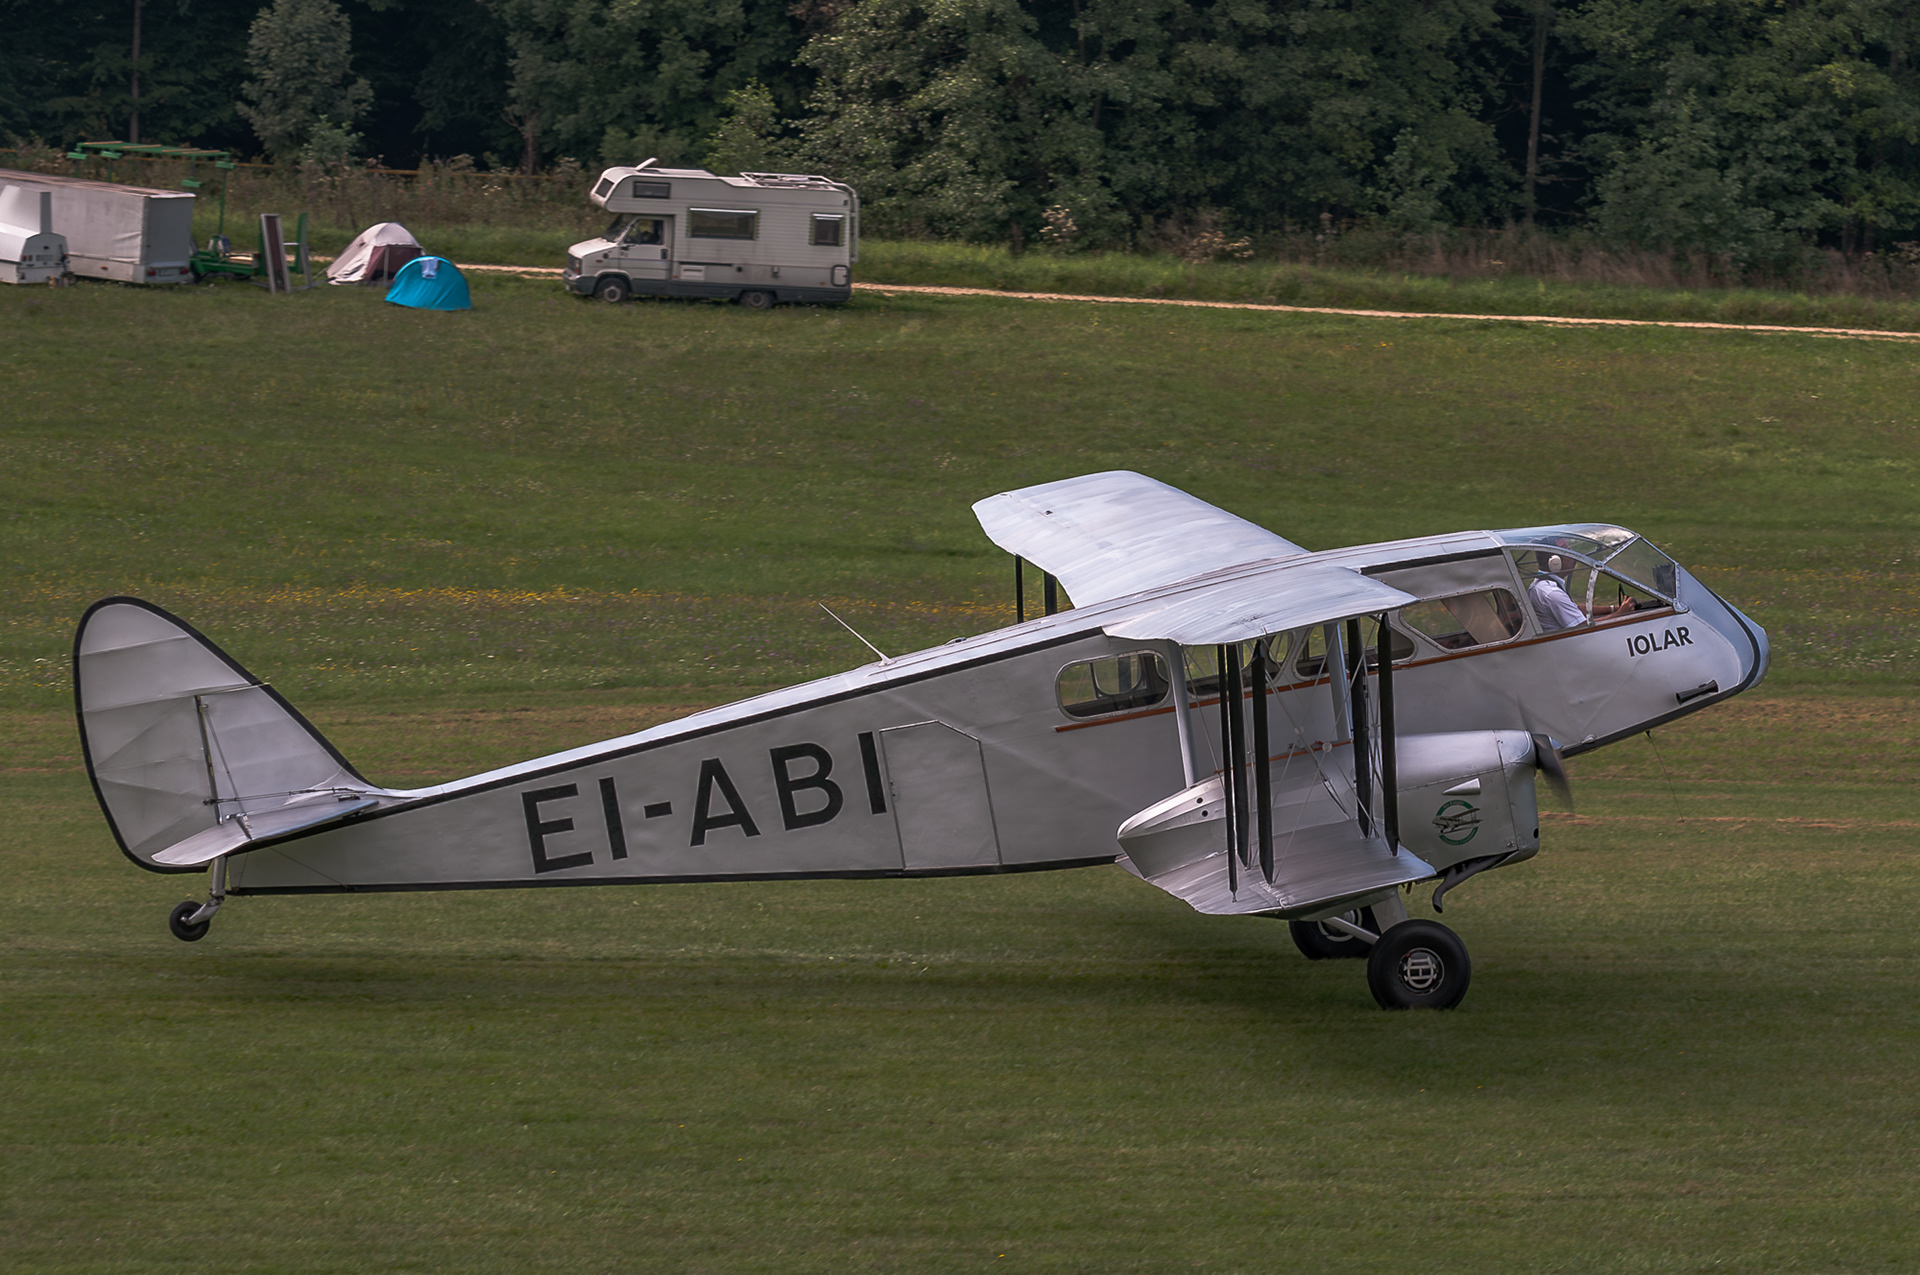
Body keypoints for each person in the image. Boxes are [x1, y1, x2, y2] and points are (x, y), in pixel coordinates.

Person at [1528, 553, 1636, 633]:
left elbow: (1574, 609)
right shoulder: (1552, 593)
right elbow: (1582, 628)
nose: (1572, 556)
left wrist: (1613, 609)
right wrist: (1620, 615)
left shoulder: (1543, 585)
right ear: (1555, 562)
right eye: (1566, 551)